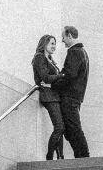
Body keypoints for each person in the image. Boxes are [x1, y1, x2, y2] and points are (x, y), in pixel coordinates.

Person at [57, 25, 90, 158]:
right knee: (71, 129)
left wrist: (53, 84)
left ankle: (83, 157)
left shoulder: (74, 52)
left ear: (70, 36)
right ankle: (81, 156)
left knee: (73, 128)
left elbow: (69, 75)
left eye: (63, 37)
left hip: (69, 97)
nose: (62, 40)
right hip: (75, 97)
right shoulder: (83, 52)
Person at [31, 33, 65, 160]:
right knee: (60, 127)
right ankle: (50, 155)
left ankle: (60, 156)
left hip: (54, 95)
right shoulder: (40, 57)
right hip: (48, 96)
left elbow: (50, 79)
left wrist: (56, 79)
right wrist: (60, 76)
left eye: (55, 44)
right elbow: (45, 78)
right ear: (44, 44)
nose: (54, 46)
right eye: (52, 43)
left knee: (60, 127)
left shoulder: (51, 60)